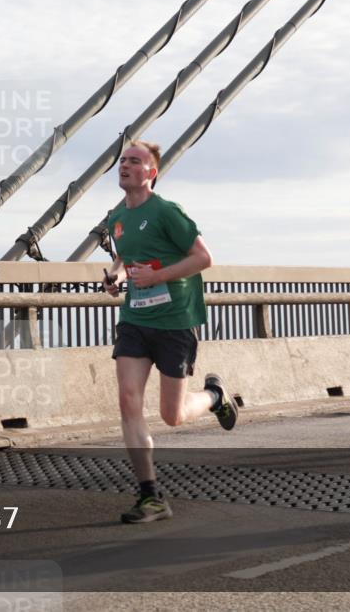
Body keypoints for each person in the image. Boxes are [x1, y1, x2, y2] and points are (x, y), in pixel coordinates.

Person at [102, 139, 238, 524]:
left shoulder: (166, 211)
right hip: (136, 320)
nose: (125, 166)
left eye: (135, 161)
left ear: (152, 172)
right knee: (129, 399)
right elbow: (127, 256)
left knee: (172, 415)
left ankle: (214, 395)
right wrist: (116, 276)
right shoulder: (117, 216)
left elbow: (203, 258)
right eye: (123, 160)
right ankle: (151, 496)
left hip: (175, 320)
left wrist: (158, 275)